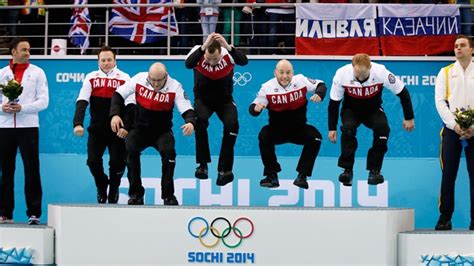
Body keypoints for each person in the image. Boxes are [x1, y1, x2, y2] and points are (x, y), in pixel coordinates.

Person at [110, 62, 195, 206]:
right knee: (130, 150)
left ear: (166, 76)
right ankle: (136, 194)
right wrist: (115, 115)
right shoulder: (139, 78)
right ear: (148, 76)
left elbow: (186, 108)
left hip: (162, 132)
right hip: (139, 130)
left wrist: (190, 122)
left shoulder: (175, 86)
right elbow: (118, 94)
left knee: (169, 154)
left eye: (159, 80)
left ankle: (168, 195)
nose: (155, 84)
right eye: (153, 80)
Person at [328, 53, 415, 186]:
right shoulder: (341, 74)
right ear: (352, 67)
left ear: (370, 67)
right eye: (357, 75)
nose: (361, 78)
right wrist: (332, 128)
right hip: (351, 110)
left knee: (383, 129)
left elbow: (403, 92)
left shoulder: (381, 72)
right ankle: (347, 170)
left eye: (364, 75)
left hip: (373, 110)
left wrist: (409, 117)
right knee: (348, 129)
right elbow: (334, 103)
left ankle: (374, 171)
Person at [249, 59, 326, 189]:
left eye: (288, 72)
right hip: (277, 131)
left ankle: (302, 176)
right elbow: (253, 107)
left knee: (316, 137)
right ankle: (271, 175)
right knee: (264, 136)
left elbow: (321, 84)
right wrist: (256, 109)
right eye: (281, 72)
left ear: (293, 73)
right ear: (275, 73)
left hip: (299, 130)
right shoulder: (267, 87)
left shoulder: (301, 80)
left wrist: (319, 94)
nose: (285, 76)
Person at [185, 32, 248, 186]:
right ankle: (203, 165)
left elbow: (244, 61)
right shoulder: (198, 51)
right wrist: (203, 47)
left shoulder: (227, 53)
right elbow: (188, 64)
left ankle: (224, 170)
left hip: (224, 101)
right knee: (200, 121)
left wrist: (227, 46)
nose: (212, 63)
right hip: (203, 101)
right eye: (209, 59)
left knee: (232, 125)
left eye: (215, 59)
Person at [73, 46, 132, 204]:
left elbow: (131, 106)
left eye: (109, 60)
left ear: (115, 60)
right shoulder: (91, 77)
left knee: (118, 162)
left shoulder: (125, 78)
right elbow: (82, 101)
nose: (106, 63)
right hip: (97, 129)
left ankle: (114, 188)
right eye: (103, 60)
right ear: (98, 61)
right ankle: (101, 184)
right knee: (92, 161)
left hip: (117, 130)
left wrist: (126, 127)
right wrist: (78, 123)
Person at [0, 38, 49, 225]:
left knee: (32, 170)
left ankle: (34, 213)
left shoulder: (37, 73)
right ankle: (5, 213)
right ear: (13, 52)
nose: (28, 53)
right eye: (24, 50)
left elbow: (44, 102)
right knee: (6, 171)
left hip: (28, 127)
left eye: (29, 50)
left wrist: (23, 108)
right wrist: (2, 108)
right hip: (4, 127)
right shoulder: (2, 73)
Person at [434, 35, 474, 230]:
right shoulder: (445, 72)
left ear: (471, 49)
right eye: (456, 46)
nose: (458, 48)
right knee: (448, 175)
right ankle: (444, 218)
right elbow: (440, 102)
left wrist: (473, 128)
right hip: (452, 131)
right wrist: (454, 125)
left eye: (462, 45)